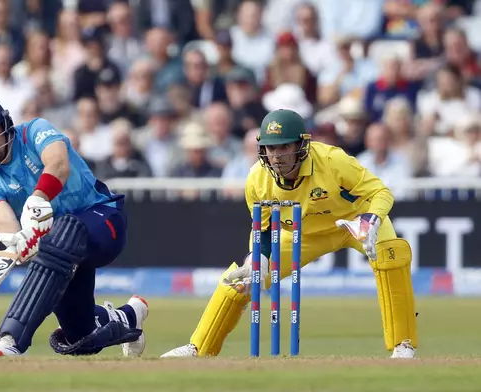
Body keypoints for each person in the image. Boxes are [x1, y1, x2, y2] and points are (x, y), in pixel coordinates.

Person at [161, 109, 418, 359]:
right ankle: (199, 347)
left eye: (284, 147)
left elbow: (381, 192)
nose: (277, 156)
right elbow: (261, 230)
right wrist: (258, 259)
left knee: (390, 256)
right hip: (301, 234)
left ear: (301, 145)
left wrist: (371, 220)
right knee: (242, 280)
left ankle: (403, 343)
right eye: (271, 148)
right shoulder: (257, 179)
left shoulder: (331, 160)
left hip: (353, 222)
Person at [0, 95, 148, 357]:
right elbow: (2, 219)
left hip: (102, 220)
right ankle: (128, 316)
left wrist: (39, 197)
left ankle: (11, 338)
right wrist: (18, 239)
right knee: (80, 338)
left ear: (4, 125)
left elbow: (58, 163)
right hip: (60, 252)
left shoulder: (34, 131)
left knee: (62, 231)